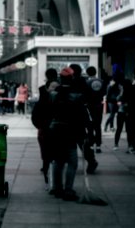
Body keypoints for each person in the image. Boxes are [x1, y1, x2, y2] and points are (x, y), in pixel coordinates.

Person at [49, 67, 90, 201]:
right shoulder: (77, 96)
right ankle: (68, 190)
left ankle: (57, 188)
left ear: (60, 79)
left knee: (58, 160)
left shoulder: (53, 95)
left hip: (56, 130)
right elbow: (83, 115)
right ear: (72, 78)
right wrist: (87, 131)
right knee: (72, 161)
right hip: (70, 131)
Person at [32, 68, 59, 189]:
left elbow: (37, 111)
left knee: (47, 151)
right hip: (50, 127)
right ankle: (50, 175)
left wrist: (39, 125)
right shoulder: (55, 92)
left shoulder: (44, 92)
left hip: (48, 127)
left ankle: (48, 169)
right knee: (51, 152)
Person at [85, 66, 105, 153]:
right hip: (99, 105)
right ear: (95, 72)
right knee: (98, 126)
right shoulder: (102, 82)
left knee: (90, 126)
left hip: (89, 106)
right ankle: (98, 145)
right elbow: (104, 92)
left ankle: (91, 144)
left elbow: (85, 94)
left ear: (87, 73)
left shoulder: (87, 82)